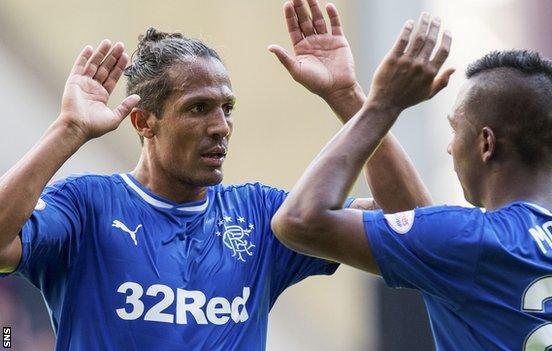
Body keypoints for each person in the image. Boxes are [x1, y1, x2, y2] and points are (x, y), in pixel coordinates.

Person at [0, 1, 430, 350]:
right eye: (198, 108)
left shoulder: (264, 216)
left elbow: (420, 231)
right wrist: (68, 130)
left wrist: (348, 97)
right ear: (144, 122)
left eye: (227, 108)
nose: (221, 125)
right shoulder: (85, 207)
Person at [272, 14, 552, 350]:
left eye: (456, 129)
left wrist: (383, 106)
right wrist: (347, 95)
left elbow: (299, 220)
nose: (450, 146)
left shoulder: (472, 240)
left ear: (486, 144)